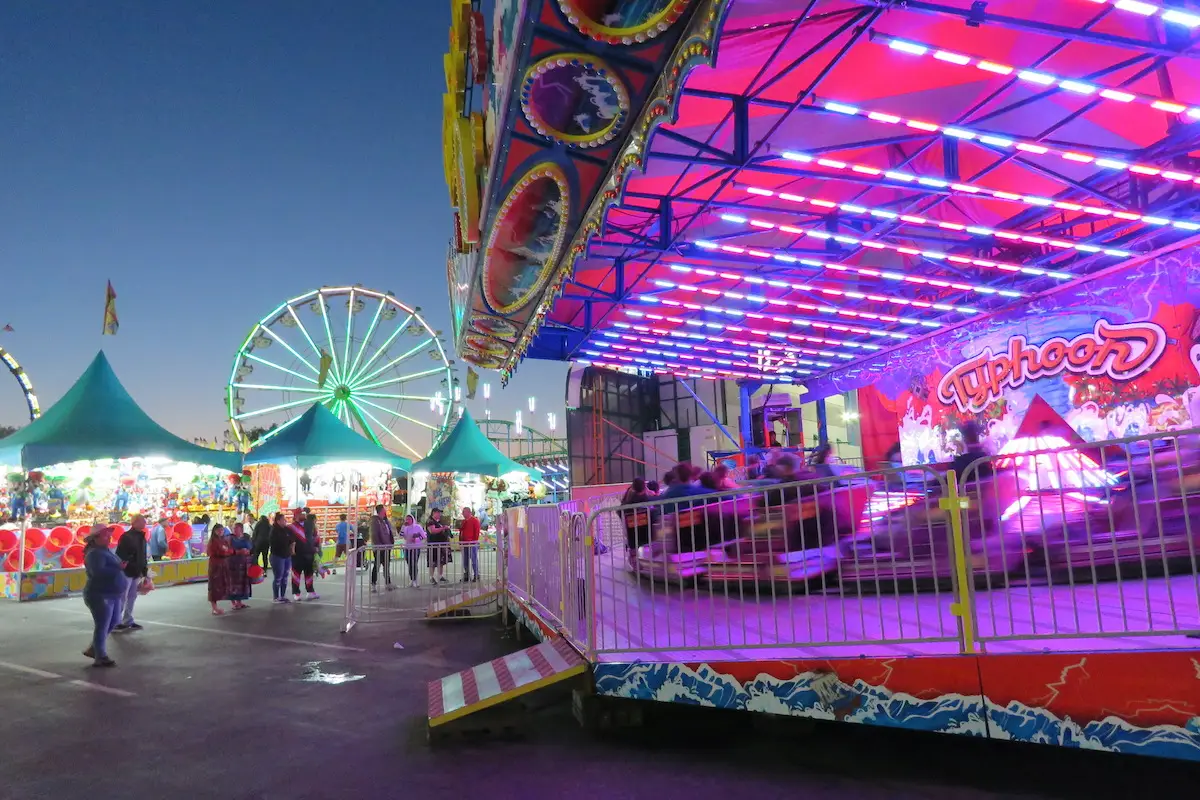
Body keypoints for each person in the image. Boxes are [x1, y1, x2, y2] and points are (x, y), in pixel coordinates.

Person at [82, 524, 124, 667]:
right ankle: (100, 655)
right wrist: (118, 568)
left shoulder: (105, 551)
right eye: (105, 535)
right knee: (103, 624)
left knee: (113, 621)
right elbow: (97, 573)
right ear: (96, 538)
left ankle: (95, 648)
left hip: (112, 593)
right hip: (100, 593)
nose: (109, 537)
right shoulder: (94, 554)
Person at [114, 514, 150, 631]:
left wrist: (144, 570)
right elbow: (121, 554)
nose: (144, 523)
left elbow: (142, 555)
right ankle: (116, 622)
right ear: (134, 523)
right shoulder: (127, 537)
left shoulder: (141, 537)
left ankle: (128, 620)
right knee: (122, 597)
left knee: (132, 597)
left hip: (136, 571)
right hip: (127, 571)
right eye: (142, 521)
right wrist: (129, 564)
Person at [290, 509, 319, 601]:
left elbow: (315, 536)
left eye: (303, 513)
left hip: (309, 552)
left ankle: (310, 591)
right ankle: (296, 593)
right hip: (297, 554)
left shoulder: (310, 524)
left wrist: (316, 546)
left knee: (309, 573)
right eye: (301, 513)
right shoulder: (291, 527)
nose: (304, 515)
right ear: (296, 515)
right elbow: (289, 541)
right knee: (296, 574)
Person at [206, 524, 233, 615]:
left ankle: (232, 602)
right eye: (218, 530)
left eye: (222, 530)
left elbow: (229, 550)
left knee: (224, 584)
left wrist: (226, 551)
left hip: (223, 564)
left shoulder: (223, 540)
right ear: (214, 531)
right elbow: (214, 552)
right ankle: (214, 608)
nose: (221, 531)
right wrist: (225, 552)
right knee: (214, 586)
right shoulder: (213, 541)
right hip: (215, 566)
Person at [268, 512, 294, 603]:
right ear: (278, 521)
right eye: (283, 520)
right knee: (278, 577)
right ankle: (276, 597)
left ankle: (282, 596)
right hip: (277, 556)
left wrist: (291, 549)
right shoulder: (273, 530)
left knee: (285, 576)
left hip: (287, 556)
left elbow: (292, 540)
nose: (285, 521)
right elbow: (275, 543)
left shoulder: (287, 529)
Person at [369, 503, 395, 592]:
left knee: (386, 565)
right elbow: (374, 534)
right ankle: (373, 584)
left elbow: (389, 532)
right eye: (384, 509)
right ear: (381, 511)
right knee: (377, 565)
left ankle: (388, 583)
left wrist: (391, 543)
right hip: (379, 547)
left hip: (387, 547)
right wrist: (379, 545)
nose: (385, 511)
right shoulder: (375, 521)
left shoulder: (385, 521)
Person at [226, 522, 252, 610]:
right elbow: (227, 549)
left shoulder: (246, 537)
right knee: (233, 584)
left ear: (241, 529)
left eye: (236, 528)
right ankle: (233, 603)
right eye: (233, 528)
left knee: (242, 584)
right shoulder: (230, 538)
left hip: (243, 562)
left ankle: (240, 602)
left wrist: (248, 551)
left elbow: (250, 547)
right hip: (232, 563)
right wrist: (238, 551)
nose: (234, 530)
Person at [425, 508, 451, 584]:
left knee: (441, 561)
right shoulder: (430, 521)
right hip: (433, 544)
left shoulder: (439, 521)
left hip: (441, 544)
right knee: (433, 562)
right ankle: (431, 577)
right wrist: (443, 528)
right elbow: (432, 531)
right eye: (438, 513)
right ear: (434, 513)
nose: (440, 514)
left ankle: (440, 576)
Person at [399, 513, 424, 588]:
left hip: (415, 548)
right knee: (409, 564)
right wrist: (403, 526)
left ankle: (415, 580)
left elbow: (423, 536)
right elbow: (401, 535)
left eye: (409, 519)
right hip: (407, 548)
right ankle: (412, 579)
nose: (407, 521)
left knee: (414, 563)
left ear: (412, 519)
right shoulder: (405, 527)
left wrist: (416, 539)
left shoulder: (418, 527)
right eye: (406, 519)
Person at [458, 506, 482, 583]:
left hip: (472, 543)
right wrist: (460, 541)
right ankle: (467, 574)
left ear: (468, 512)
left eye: (464, 512)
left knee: (474, 559)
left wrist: (474, 541)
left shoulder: (475, 520)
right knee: (465, 560)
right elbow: (461, 531)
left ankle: (476, 574)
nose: (462, 513)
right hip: (464, 543)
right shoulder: (464, 521)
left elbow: (477, 532)